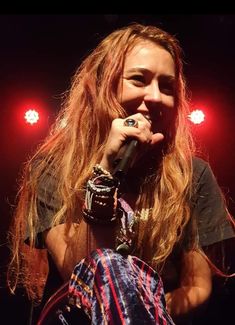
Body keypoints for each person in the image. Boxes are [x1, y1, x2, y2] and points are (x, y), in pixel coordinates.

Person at [7, 23, 235, 324]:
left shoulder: (192, 174)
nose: (155, 97)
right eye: (139, 80)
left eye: (167, 86)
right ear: (103, 86)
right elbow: (81, 270)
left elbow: (197, 287)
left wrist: (146, 313)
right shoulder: (54, 168)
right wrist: (106, 170)